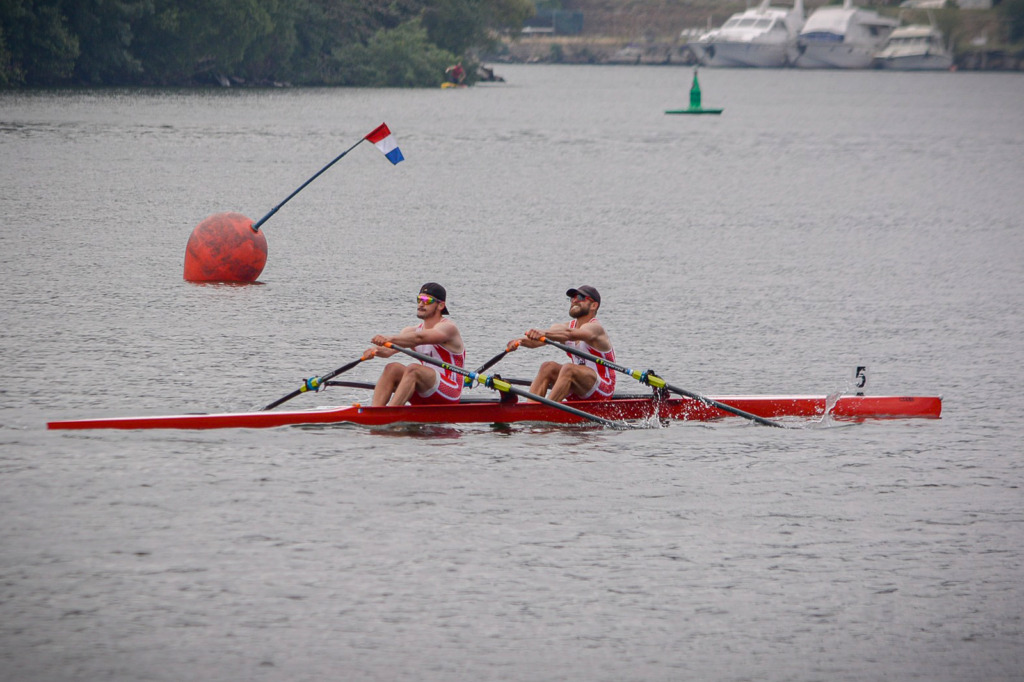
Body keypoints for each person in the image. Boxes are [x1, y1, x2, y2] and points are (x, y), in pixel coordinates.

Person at [507, 285, 615, 402]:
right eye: (572, 298)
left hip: (603, 389)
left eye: (580, 297)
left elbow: (570, 334)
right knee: (547, 367)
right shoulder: (564, 327)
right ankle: (531, 408)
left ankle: (546, 410)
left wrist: (543, 332)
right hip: (578, 387)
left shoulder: (596, 328)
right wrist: (519, 341)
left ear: (594, 305)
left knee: (569, 368)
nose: (574, 300)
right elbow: (537, 342)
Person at [369, 283, 466, 407]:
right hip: (425, 389)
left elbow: (419, 338)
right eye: (419, 299)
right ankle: (375, 412)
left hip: (450, 392)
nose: (421, 304)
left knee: (413, 369)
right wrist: (374, 351)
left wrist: (389, 338)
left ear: (441, 305)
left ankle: (390, 412)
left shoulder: (448, 328)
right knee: (391, 368)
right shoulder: (410, 331)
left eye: (427, 300)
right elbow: (387, 352)